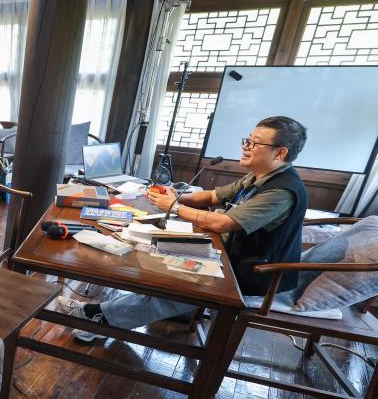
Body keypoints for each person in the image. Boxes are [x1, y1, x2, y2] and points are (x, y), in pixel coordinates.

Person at [57, 116, 310, 342]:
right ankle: (100, 313)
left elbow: (223, 223)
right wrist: (177, 196)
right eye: (247, 140)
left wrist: (174, 206)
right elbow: (213, 195)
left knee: (176, 284)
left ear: (280, 153)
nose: (246, 147)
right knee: (152, 252)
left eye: (255, 143)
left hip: (251, 274)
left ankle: (100, 318)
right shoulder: (258, 176)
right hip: (229, 254)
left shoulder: (281, 191)